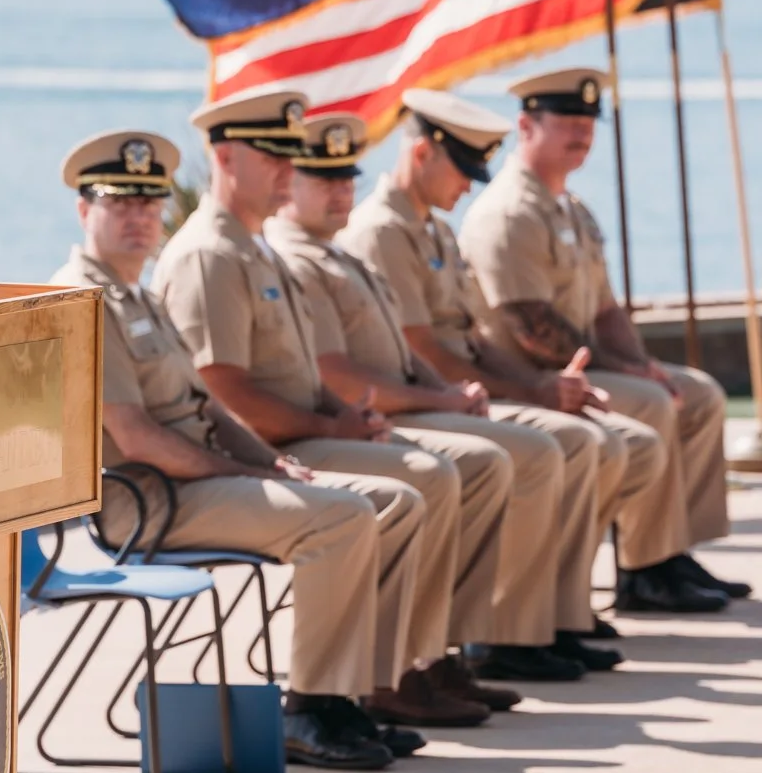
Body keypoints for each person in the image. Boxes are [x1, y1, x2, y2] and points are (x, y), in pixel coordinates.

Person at [52, 128, 414, 769]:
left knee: (383, 501)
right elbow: (138, 438)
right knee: (341, 516)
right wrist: (247, 470)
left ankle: (346, 697)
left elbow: (208, 407)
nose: (138, 218)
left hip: (196, 484)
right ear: (85, 211)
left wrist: (272, 464)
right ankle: (309, 708)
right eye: (119, 203)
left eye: (148, 203)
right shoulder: (84, 301)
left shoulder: (137, 293)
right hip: (147, 502)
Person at [151, 87, 489, 731]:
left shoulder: (256, 248)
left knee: (420, 485)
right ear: (224, 158)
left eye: (289, 156)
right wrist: (330, 427)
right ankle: (324, 700)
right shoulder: (209, 254)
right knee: (404, 488)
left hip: (291, 440)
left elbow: (303, 375)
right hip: (252, 451)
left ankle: (384, 676)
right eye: (273, 156)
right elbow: (226, 392)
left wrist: (347, 418)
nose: (288, 170)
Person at [342, 87, 657, 669]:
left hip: (450, 394)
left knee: (602, 440)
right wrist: (527, 392)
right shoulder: (382, 232)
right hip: (417, 401)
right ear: (421, 155)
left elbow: (475, 341)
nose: (467, 186)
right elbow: (425, 350)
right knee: (548, 448)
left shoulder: (431, 228)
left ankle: (550, 616)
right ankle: (501, 633)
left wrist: (550, 385)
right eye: (461, 170)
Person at [269, 110, 571, 712]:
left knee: (497, 457)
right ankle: (400, 667)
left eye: (344, 178)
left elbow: (413, 351)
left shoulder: (337, 251)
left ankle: (437, 653)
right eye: (321, 179)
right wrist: (440, 399)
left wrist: (458, 393)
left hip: (378, 414)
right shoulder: (299, 256)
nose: (338, 192)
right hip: (342, 426)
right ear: (287, 183)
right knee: (462, 467)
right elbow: (339, 375)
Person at [460, 69, 740, 615]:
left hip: (592, 367)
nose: (581, 134)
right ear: (526, 126)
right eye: (566, 122)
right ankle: (644, 567)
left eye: (587, 122)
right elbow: (529, 327)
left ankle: (672, 548)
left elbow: (606, 309)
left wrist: (642, 363)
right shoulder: (508, 212)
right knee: (654, 401)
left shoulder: (572, 208)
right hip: (536, 379)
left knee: (698, 393)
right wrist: (634, 375)